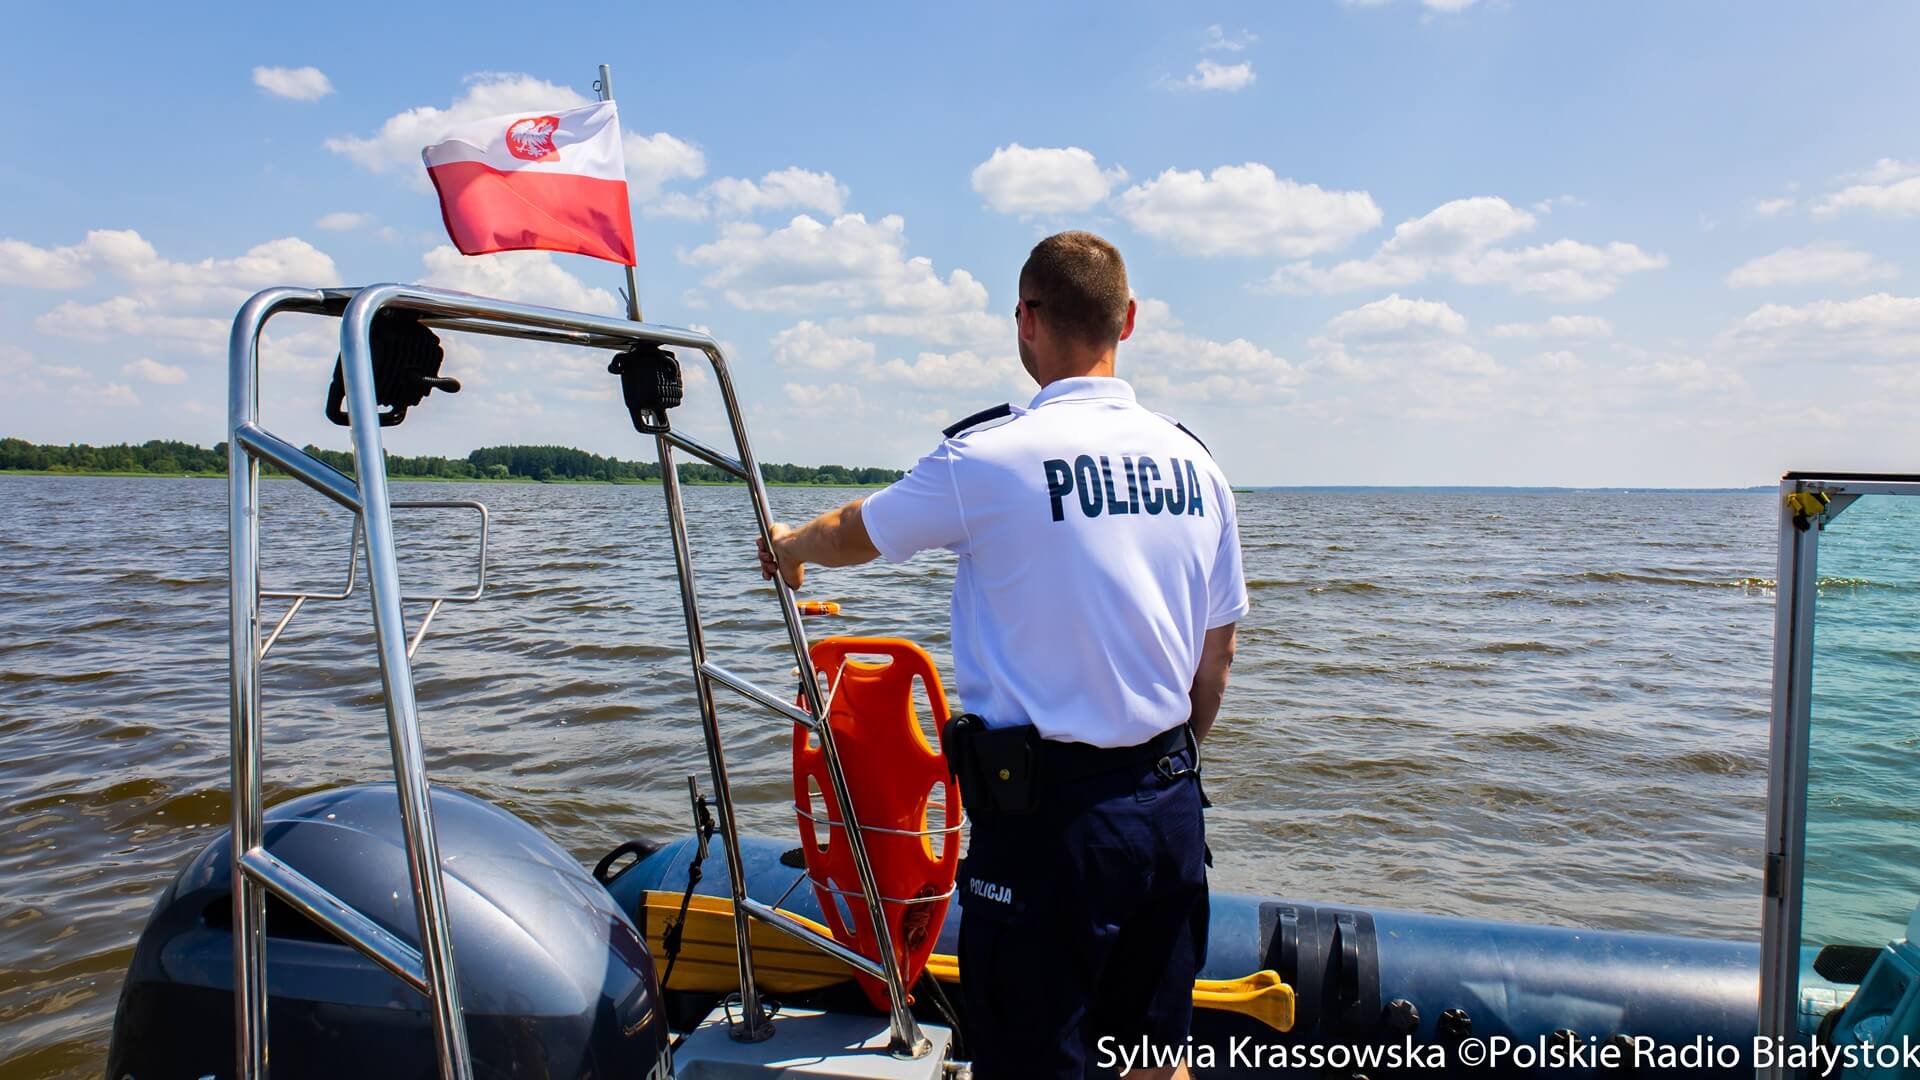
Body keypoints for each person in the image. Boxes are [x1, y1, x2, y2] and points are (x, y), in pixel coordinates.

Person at [756, 230, 1245, 1080]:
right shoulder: (1197, 464)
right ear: (1128, 319)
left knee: (1028, 1057)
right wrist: (1165, 765)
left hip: (1048, 828)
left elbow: (857, 532)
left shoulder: (988, 457)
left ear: (1024, 319)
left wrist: (790, 546)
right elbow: (1217, 660)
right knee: (1157, 1055)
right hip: (1169, 810)